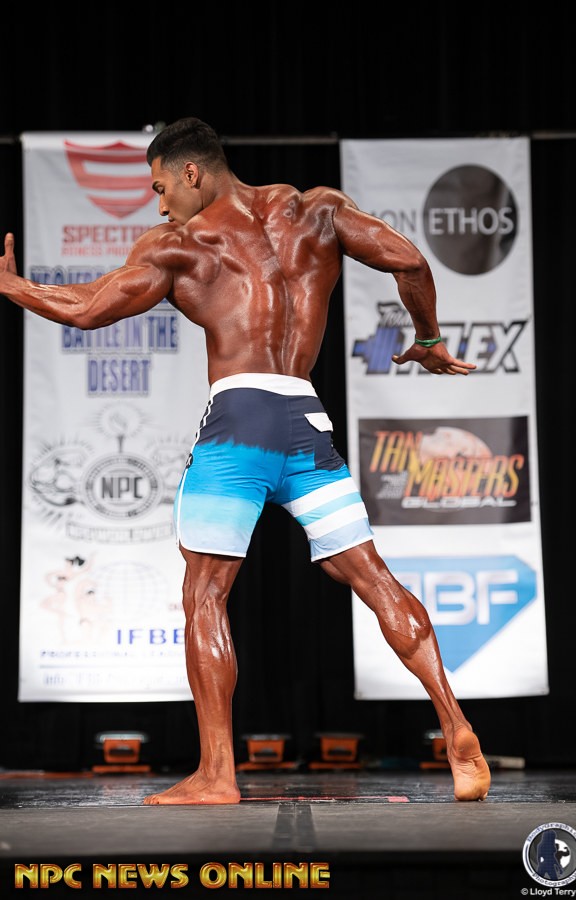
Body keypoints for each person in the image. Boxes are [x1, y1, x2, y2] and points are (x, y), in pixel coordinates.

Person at [0, 116, 491, 804]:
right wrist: (430, 339)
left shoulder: (182, 243)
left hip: (239, 423)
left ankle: (217, 775)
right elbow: (408, 260)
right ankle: (459, 731)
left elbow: (88, 309)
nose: (159, 205)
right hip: (306, 421)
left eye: (161, 188)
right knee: (375, 578)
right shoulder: (316, 210)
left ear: (191, 171)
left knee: (204, 594)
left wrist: (15, 288)